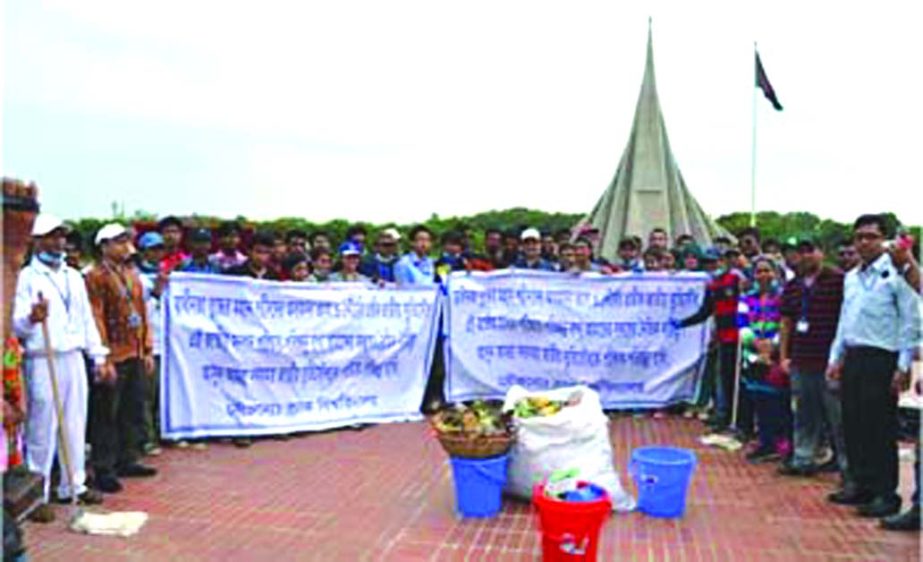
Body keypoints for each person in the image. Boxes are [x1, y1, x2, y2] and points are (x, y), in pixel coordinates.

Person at [13, 215, 108, 522]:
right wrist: (32, 317)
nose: (57, 242)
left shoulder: (74, 276)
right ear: (36, 241)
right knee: (42, 426)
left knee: (75, 423)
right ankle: (36, 493)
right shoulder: (26, 276)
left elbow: (86, 320)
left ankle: (73, 484)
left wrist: (98, 355)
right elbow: (15, 323)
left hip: (72, 356)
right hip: (43, 357)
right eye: (50, 237)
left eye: (61, 237)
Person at [827, 214, 921, 518]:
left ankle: (885, 493)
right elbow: (844, 320)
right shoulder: (851, 277)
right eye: (859, 237)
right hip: (854, 354)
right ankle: (861, 485)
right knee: (853, 424)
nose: (864, 242)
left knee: (879, 427)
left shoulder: (897, 273)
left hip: (883, 357)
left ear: (884, 239)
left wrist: (904, 364)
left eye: (871, 236)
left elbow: (910, 319)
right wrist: (835, 358)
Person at [85, 223, 158, 494]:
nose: (124, 245)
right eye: (117, 241)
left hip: (134, 350)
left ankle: (128, 458)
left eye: (125, 240)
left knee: (132, 409)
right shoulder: (94, 276)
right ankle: (104, 467)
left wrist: (147, 349)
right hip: (113, 353)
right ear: (103, 246)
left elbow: (143, 313)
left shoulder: (132, 274)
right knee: (106, 413)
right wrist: (102, 356)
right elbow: (96, 316)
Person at [778, 239, 847, 479]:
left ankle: (845, 465)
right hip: (801, 359)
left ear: (822, 252)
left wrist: (841, 358)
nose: (806, 256)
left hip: (829, 361)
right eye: (801, 252)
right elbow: (786, 322)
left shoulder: (839, 280)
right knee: (803, 412)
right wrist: (784, 356)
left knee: (837, 416)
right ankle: (803, 458)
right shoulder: (793, 285)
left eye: (811, 250)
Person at [675, 248, 747, 434]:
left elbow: (746, 303)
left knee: (734, 380)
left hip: (738, 336)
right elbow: (705, 312)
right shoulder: (712, 285)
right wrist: (683, 323)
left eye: (715, 262)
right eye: (708, 263)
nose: (712, 266)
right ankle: (723, 415)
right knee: (723, 378)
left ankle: (737, 419)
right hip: (722, 337)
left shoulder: (736, 279)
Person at [739, 256, 791, 463]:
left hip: (776, 356)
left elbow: (786, 323)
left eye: (767, 270)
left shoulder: (782, 298)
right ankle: (765, 441)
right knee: (758, 399)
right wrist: (754, 344)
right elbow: (741, 324)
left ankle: (781, 442)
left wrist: (773, 346)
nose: (763, 275)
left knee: (777, 399)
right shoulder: (746, 298)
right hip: (752, 355)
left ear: (775, 273)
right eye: (759, 271)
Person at [136, 232, 171, 455]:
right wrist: (157, 292)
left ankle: (163, 432)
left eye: (160, 249)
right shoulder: (138, 277)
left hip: (169, 344)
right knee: (147, 394)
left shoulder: (169, 275)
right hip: (148, 343)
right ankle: (147, 438)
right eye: (152, 249)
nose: (156, 254)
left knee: (163, 393)